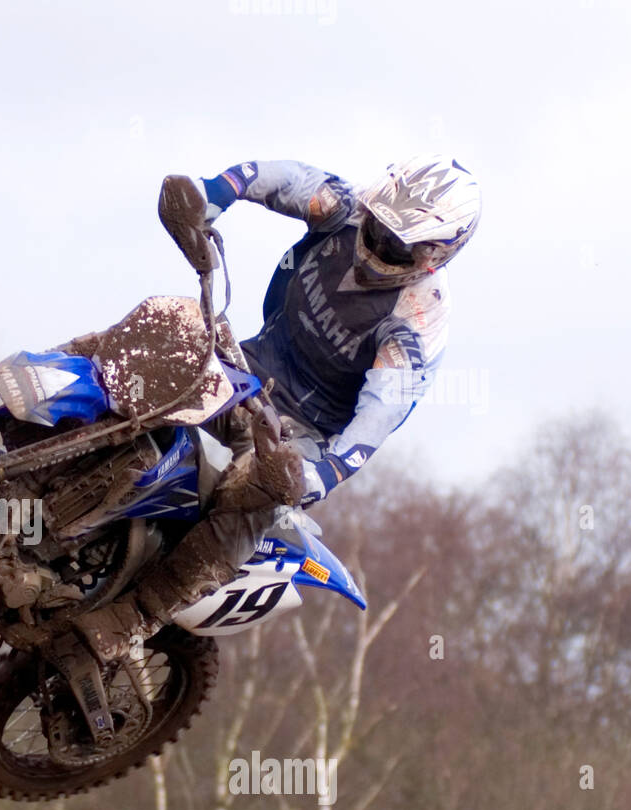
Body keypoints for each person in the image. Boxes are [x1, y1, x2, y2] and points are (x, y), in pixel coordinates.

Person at [72, 155, 482, 662]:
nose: (374, 243)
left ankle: (135, 618)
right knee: (158, 333)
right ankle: (4, 399)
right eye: (377, 226)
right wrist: (212, 192)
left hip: (296, 434)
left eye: (394, 242)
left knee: (259, 490)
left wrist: (324, 474)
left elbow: (381, 412)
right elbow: (280, 180)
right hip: (243, 364)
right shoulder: (346, 209)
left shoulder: (416, 321)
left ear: (433, 255)